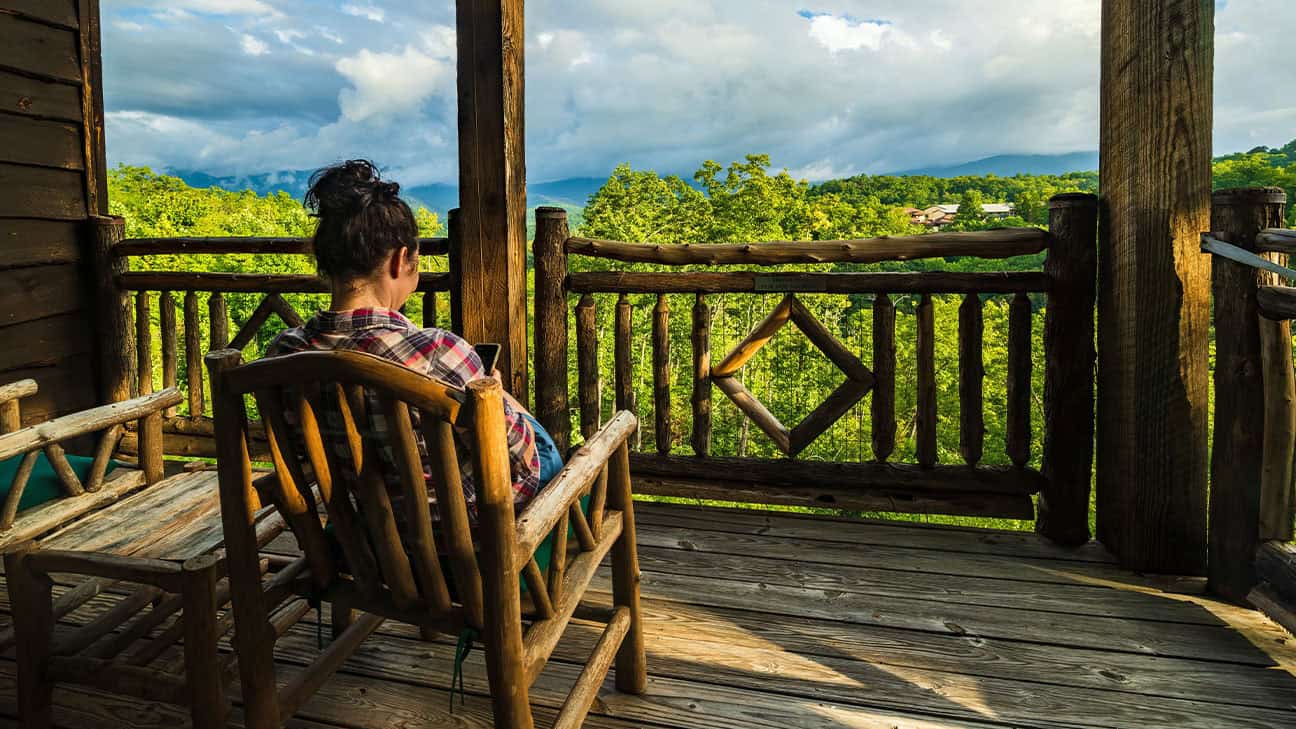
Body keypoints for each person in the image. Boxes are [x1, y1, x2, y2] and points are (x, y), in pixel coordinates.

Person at [266, 159, 562, 522]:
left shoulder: (284, 355)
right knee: (541, 447)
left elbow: (299, 454)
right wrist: (498, 399)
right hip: (460, 542)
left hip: (362, 536)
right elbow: (521, 465)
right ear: (400, 260)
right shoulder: (438, 352)